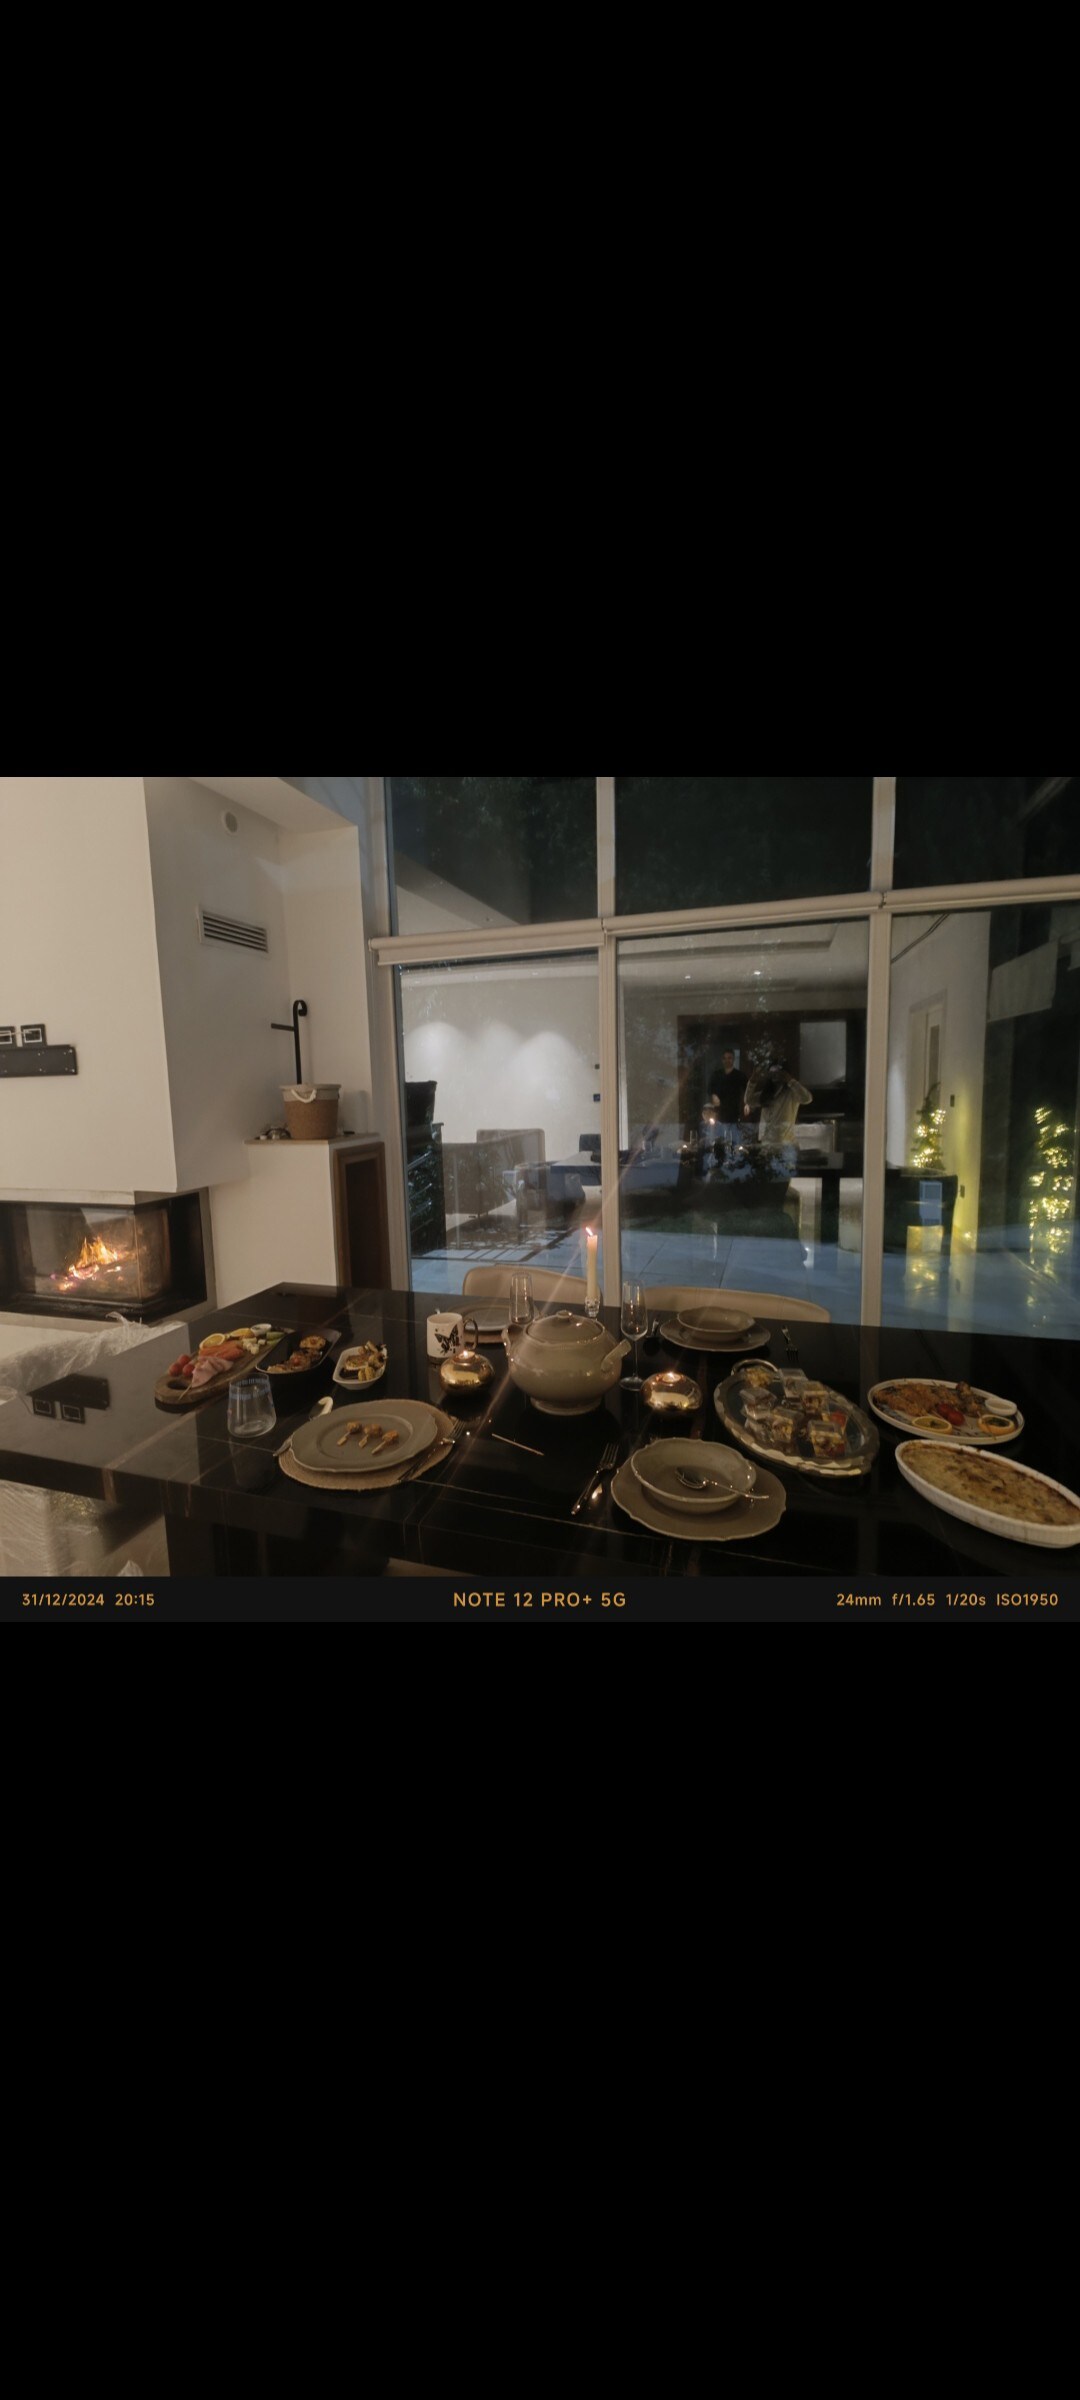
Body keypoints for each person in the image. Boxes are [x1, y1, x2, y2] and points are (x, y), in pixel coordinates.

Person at [743, 1057, 813, 1171]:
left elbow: (807, 1098)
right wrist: (753, 1081)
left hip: (784, 1145)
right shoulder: (766, 1094)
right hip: (766, 1144)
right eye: (772, 1071)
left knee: (782, 1175)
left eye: (778, 1071)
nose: (775, 1074)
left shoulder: (791, 1093)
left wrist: (790, 1080)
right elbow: (748, 1100)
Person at [708, 1050, 747, 1158]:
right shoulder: (716, 1075)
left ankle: (733, 1162)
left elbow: (748, 1091)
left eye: (729, 1058)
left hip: (734, 1117)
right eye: (725, 1058)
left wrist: (747, 1104)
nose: (727, 1060)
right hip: (719, 1117)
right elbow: (710, 1090)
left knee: (734, 1146)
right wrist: (713, 1096)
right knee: (718, 1145)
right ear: (722, 1060)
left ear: (733, 1059)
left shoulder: (739, 1075)